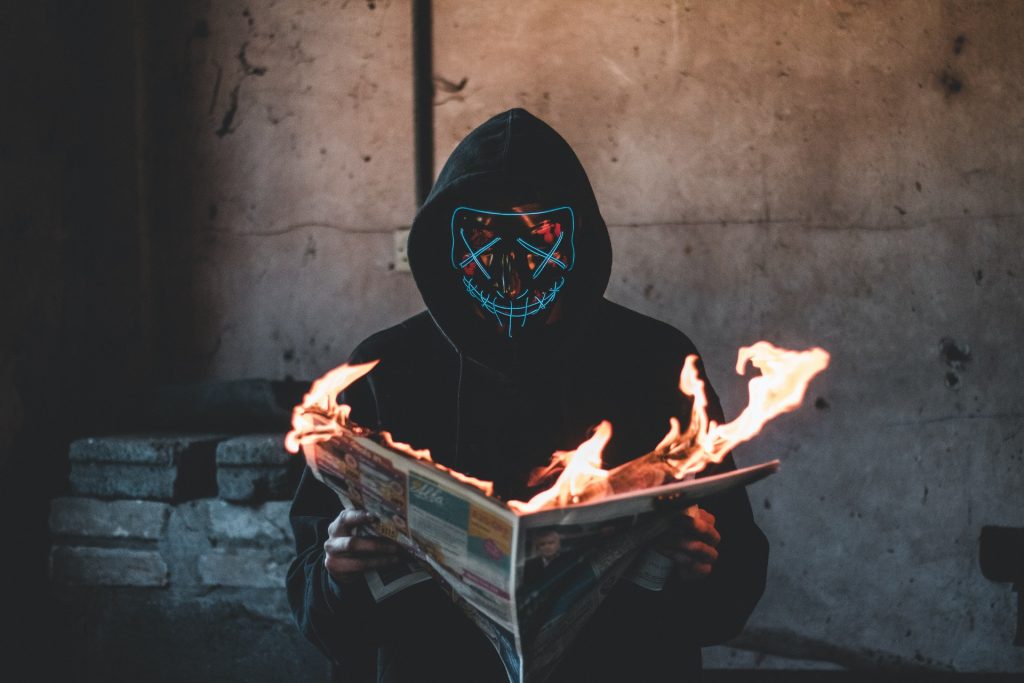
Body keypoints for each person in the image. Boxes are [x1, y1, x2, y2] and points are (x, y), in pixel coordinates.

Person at [288, 108, 769, 682]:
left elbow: (733, 591)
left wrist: (703, 564)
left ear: (576, 236)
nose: (511, 264)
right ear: (448, 239)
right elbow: (317, 617)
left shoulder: (656, 361)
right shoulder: (384, 371)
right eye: (485, 233)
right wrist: (336, 573)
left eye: (536, 230)